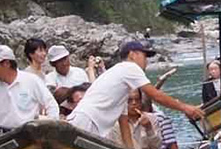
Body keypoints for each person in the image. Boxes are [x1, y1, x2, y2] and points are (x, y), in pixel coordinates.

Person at [67, 41, 205, 142]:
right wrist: (185, 107)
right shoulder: (129, 68)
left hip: (84, 119)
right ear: (132, 55)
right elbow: (155, 95)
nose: (146, 62)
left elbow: (123, 121)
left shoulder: (119, 79)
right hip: (87, 120)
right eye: (144, 57)